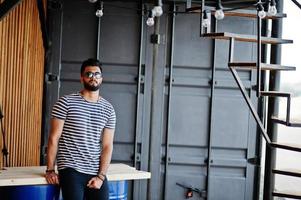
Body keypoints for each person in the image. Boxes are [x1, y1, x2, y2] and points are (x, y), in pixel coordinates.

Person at [45, 58, 116, 200]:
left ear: (101, 78)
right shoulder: (65, 103)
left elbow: (107, 146)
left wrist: (101, 176)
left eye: (97, 74)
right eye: (89, 74)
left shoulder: (109, 109)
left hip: (95, 171)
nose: (93, 77)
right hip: (71, 169)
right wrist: (50, 169)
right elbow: (54, 138)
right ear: (81, 78)